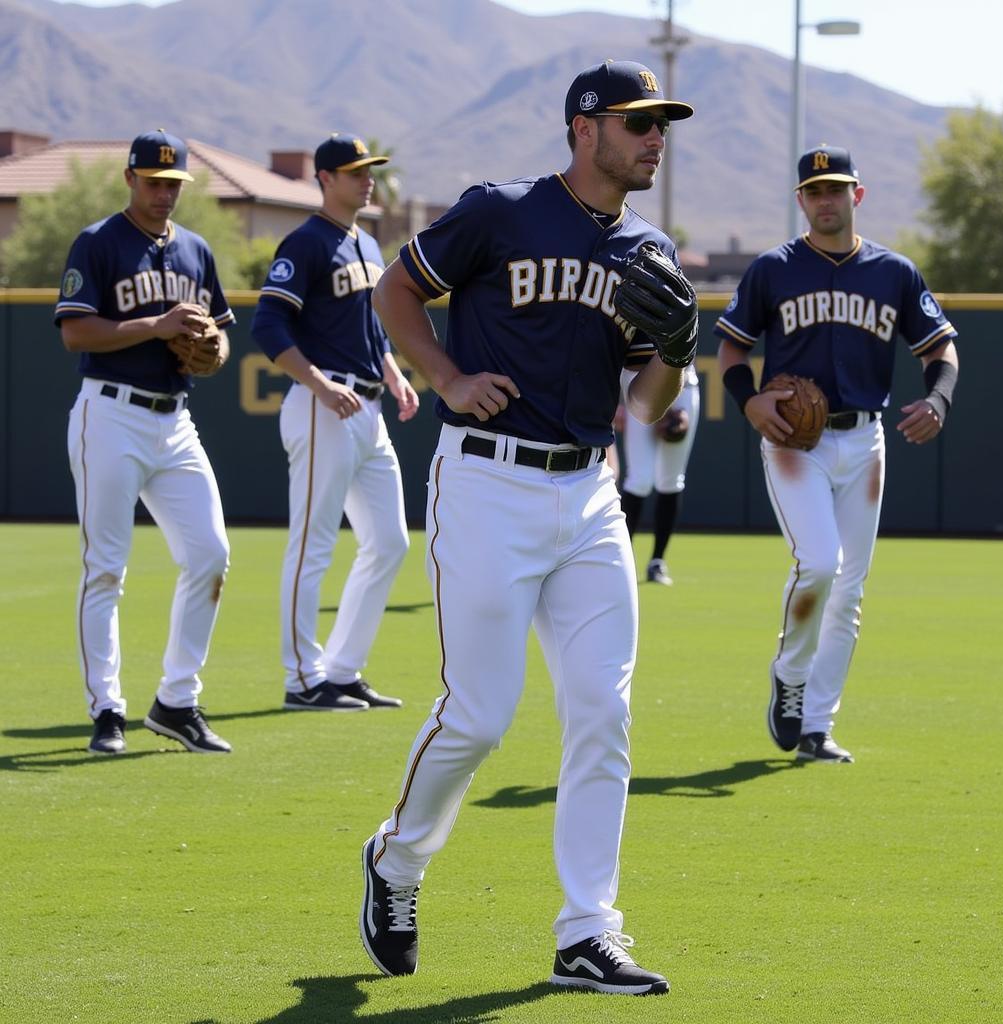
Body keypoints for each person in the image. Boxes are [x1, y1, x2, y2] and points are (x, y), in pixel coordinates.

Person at [359, 59, 697, 996]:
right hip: (487, 483)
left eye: (662, 123)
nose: (655, 138)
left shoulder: (648, 250)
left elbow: (645, 400)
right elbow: (394, 294)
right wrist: (447, 377)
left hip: (589, 496)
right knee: (479, 716)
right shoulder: (500, 210)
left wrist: (675, 352)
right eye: (639, 122)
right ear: (585, 129)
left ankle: (588, 930)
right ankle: (396, 860)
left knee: (604, 712)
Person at [714, 144, 959, 764]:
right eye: (815, 191)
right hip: (796, 443)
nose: (826, 200)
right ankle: (790, 676)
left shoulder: (893, 272)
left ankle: (817, 726)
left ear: (858, 195)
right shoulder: (774, 269)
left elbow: (940, 351)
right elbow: (733, 353)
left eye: (836, 188)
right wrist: (748, 404)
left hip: (865, 437)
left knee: (849, 590)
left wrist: (939, 400)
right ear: (801, 200)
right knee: (819, 564)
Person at [56, 129, 235, 755]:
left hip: (174, 421)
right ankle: (107, 708)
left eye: (173, 184)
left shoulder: (195, 250)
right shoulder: (99, 243)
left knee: (211, 554)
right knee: (106, 568)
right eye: (154, 182)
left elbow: (221, 333)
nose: (164, 194)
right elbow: (76, 334)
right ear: (130, 179)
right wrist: (155, 325)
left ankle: (176, 701)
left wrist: (214, 349)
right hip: (108, 415)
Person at [251, 133, 418, 713]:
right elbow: (268, 326)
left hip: (368, 406)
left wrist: (393, 372)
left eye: (368, 168)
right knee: (312, 545)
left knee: (390, 542)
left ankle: (342, 670)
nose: (365, 178)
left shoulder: (367, 243)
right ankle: (302, 678)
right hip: (324, 404)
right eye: (353, 171)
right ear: (324, 178)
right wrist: (319, 383)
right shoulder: (307, 241)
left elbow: (371, 331)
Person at [619, 362, 700, 585]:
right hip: (639, 382)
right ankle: (620, 559)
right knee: (639, 480)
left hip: (683, 383)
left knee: (671, 480)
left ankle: (657, 561)